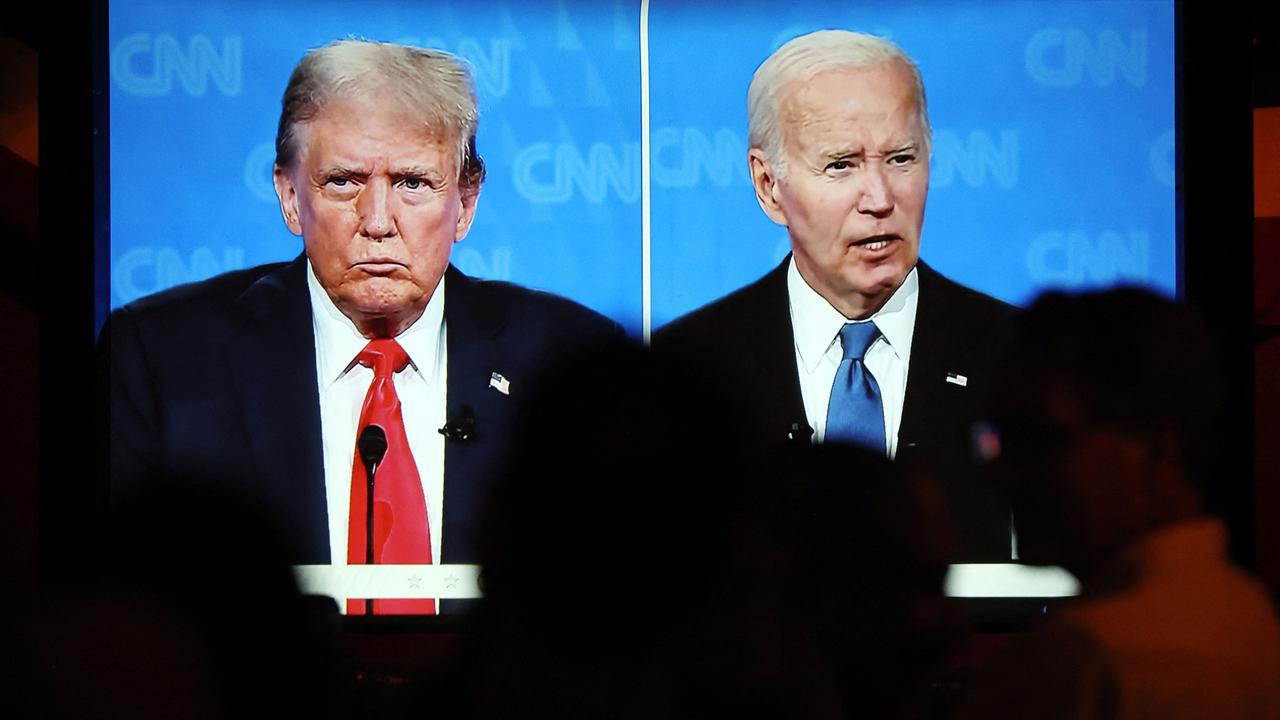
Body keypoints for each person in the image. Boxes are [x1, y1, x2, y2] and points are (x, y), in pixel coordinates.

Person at [101, 39, 621, 612]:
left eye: (413, 183)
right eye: (344, 181)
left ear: (466, 203)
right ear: (291, 196)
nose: (377, 222)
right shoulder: (162, 361)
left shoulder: (571, 360)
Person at [654, 29, 1015, 560]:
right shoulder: (686, 369)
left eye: (901, 159)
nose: (880, 198)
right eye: (842, 164)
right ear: (768, 185)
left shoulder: (1020, 355)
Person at [958, 288, 1280, 719]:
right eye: (1000, 440)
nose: (1002, 471)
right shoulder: (1250, 609)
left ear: (1156, 451)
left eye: (1039, 438)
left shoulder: (1083, 659)